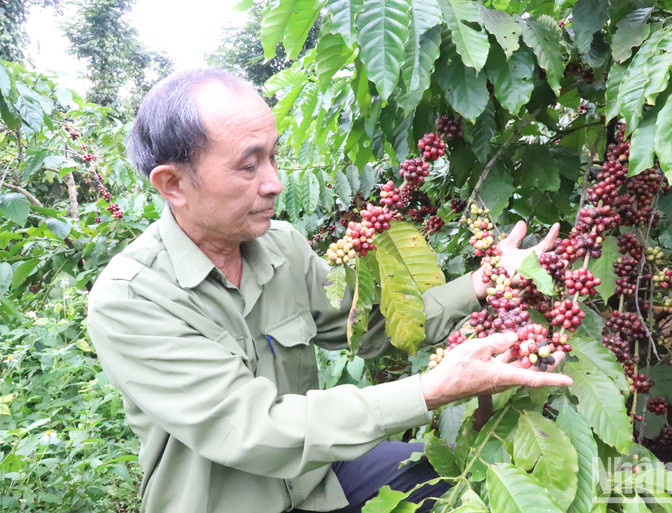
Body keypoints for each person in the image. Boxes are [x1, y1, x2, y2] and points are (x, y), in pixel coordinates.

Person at [86, 68, 573, 513]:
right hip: (227, 503)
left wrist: (482, 283)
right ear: (173, 184)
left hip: (317, 480)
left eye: (273, 156)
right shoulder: (131, 300)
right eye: (248, 166)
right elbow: (251, 427)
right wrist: (432, 390)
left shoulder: (283, 248)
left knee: (449, 481)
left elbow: (375, 327)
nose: (275, 183)